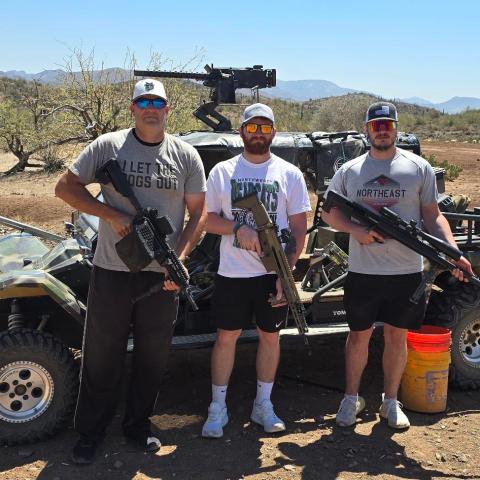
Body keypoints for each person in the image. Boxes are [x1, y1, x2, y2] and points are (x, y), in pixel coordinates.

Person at [55, 78, 207, 463]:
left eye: (158, 101)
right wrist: (111, 214)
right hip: (111, 270)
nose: (151, 107)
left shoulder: (186, 155)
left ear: (168, 109)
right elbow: (65, 188)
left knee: (152, 358)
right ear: (133, 108)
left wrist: (181, 259)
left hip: (162, 277)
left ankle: (138, 426)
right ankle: (90, 433)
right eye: (143, 101)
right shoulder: (108, 146)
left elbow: (199, 214)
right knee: (101, 356)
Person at [321, 101, 473, 429]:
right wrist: (358, 231)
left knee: (397, 337)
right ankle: (350, 398)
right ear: (367, 130)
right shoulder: (349, 171)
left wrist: (453, 251)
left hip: (406, 272)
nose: (382, 130)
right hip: (364, 272)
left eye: (387, 125)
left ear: (396, 127)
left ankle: (390, 402)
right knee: (358, 336)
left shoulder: (418, 168)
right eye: (376, 126)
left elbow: (433, 216)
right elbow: (329, 212)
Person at [201, 103, 311, 438]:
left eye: (265, 128)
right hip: (232, 273)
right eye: (252, 127)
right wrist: (238, 229)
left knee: (270, 337)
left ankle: (263, 404)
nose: (258, 133)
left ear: (273, 133)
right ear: (241, 132)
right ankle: (217, 407)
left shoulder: (289, 174)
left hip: (270, 274)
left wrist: (286, 272)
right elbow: (206, 219)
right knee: (226, 337)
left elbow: (298, 230)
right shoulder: (223, 171)